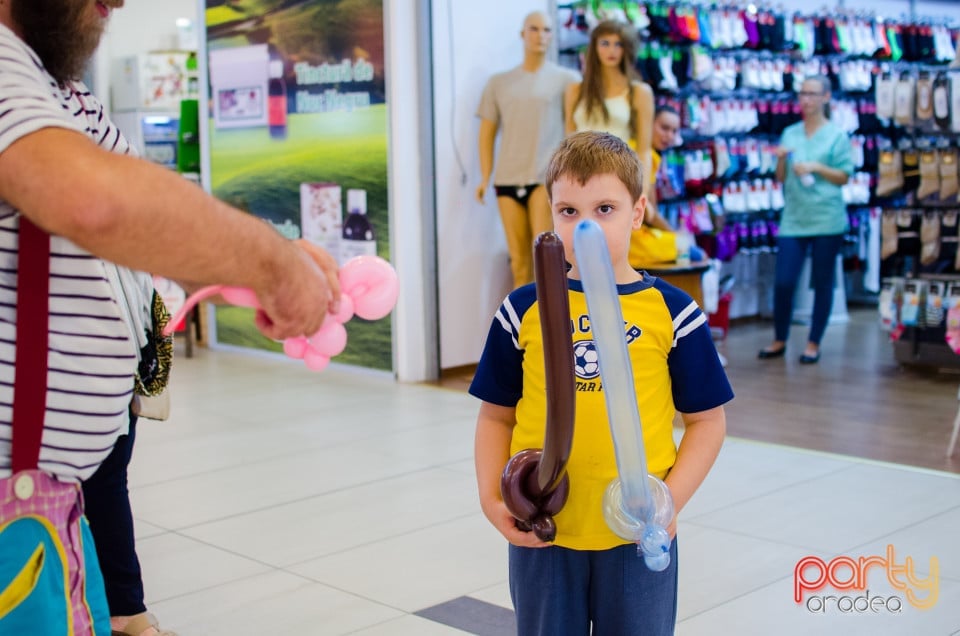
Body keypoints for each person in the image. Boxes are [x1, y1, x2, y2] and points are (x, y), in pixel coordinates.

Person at [0, 2, 340, 634]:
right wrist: (272, 265)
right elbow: (94, 201)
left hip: (46, 505)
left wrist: (268, 260)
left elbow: (142, 207)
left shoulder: (56, 88)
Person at [470, 131, 731, 635]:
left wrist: (668, 504)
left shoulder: (673, 312)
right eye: (568, 211)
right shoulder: (522, 308)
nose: (585, 226)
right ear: (550, 215)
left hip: (636, 535)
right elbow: (495, 414)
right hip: (546, 531)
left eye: (605, 208)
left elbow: (708, 422)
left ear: (638, 212)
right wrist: (491, 497)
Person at [476, 11, 580, 288]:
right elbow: (486, 133)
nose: (540, 36)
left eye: (546, 30)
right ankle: (522, 329)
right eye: (534, 29)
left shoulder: (567, 80)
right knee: (520, 264)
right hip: (507, 179)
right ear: (523, 34)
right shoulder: (499, 83)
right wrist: (485, 177)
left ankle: (551, 328)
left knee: (545, 260)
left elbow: (573, 129)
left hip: (543, 178)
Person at [758, 75, 853, 364]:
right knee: (784, 282)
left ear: (826, 97)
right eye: (802, 94)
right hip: (794, 218)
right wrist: (781, 160)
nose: (806, 99)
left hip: (827, 218)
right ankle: (779, 339)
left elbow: (844, 176)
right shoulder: (790, 133)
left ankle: (813, 342)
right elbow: (780, 178)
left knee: (822, 283)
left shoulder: (837, 135)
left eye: (812, 94)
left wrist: (817, 167)